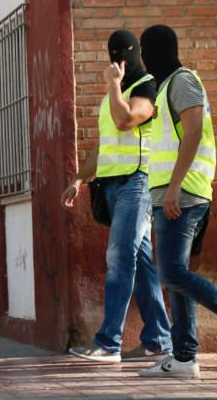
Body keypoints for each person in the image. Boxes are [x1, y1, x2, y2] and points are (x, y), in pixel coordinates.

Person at [136, 25, 217, 378]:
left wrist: (176, 186)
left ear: (158, 50)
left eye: (146, 50)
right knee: (176, 275)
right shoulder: (165, 87)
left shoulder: (182, 81)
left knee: (172, 272)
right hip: (168, 192)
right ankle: (183, 357)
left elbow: (193, 131)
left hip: (185, 192)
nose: (143, 58)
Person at [62, 30, 173, 364]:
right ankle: (158, 339)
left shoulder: (145, 87)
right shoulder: (116, 94)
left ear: (136, 53)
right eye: (111, 53)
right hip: (111, 187)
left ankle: (108, 342)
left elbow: (126, 121)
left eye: (123, 53)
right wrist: (80, 179)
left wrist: (113, 86)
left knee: (119, 256)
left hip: (137, 184)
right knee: (140, 264)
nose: (117, 59)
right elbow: (104, 143)